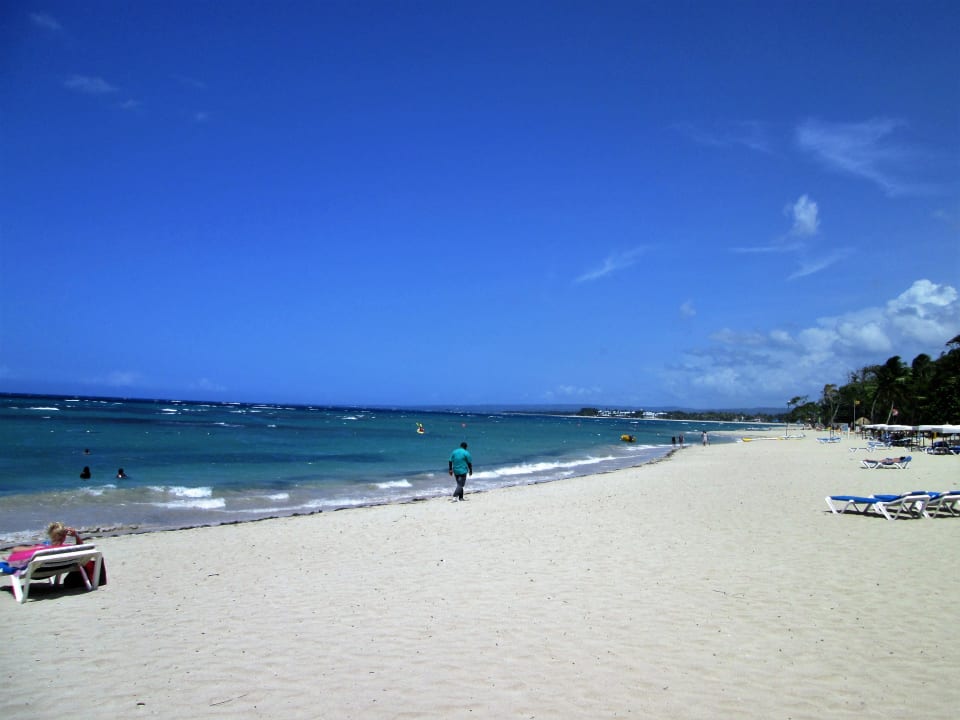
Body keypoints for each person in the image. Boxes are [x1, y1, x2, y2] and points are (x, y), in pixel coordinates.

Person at [1, 522, 84, 573]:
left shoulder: (43, 550)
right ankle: (8, 560)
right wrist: (76, 535)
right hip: (60, 567)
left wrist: (37, 547)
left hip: (36, 572)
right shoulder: (68, 548)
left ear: (51, 535)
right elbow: (81, 548)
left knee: (3, 564)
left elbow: (15, 550)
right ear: (65, 536)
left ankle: (8, 560)